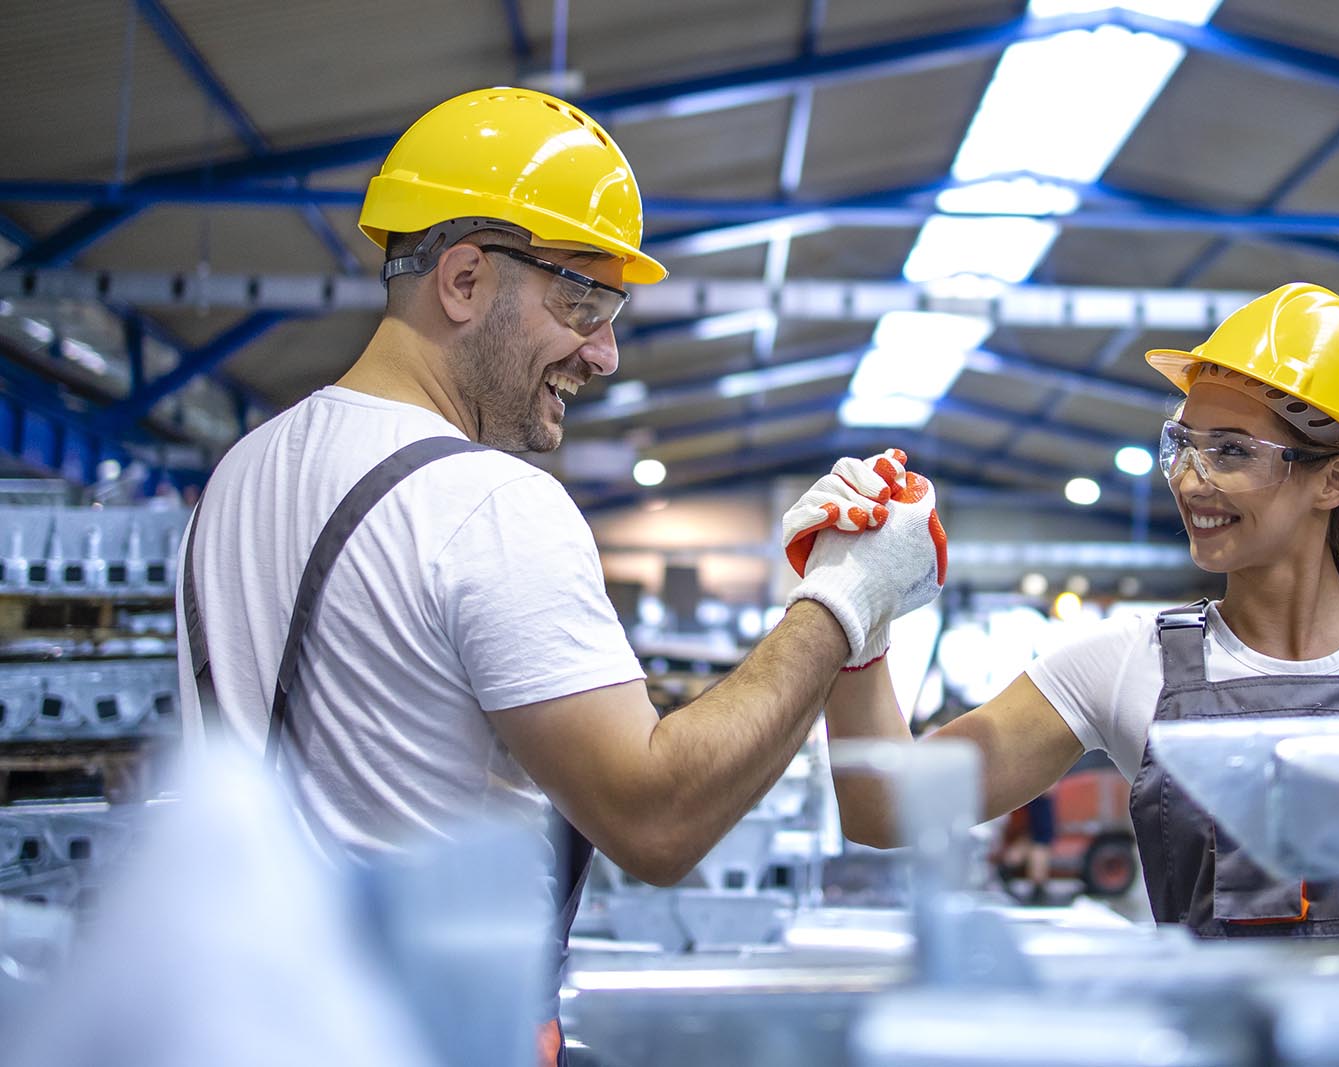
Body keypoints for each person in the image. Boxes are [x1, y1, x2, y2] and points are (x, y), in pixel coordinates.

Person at [175, 87, 944, 1064]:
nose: (604, 353)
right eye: (580, 302)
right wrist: (844, 596)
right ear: (461, 279)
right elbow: (657, 816)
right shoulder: (485, 502)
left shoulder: (239, 476)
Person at [813, 282, 1339, 939]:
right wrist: (857, 604)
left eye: (1230, 451)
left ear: (1334, 480)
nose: (1191, 480)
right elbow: (884, 803)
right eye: (1183, 446)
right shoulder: (1127, 664)